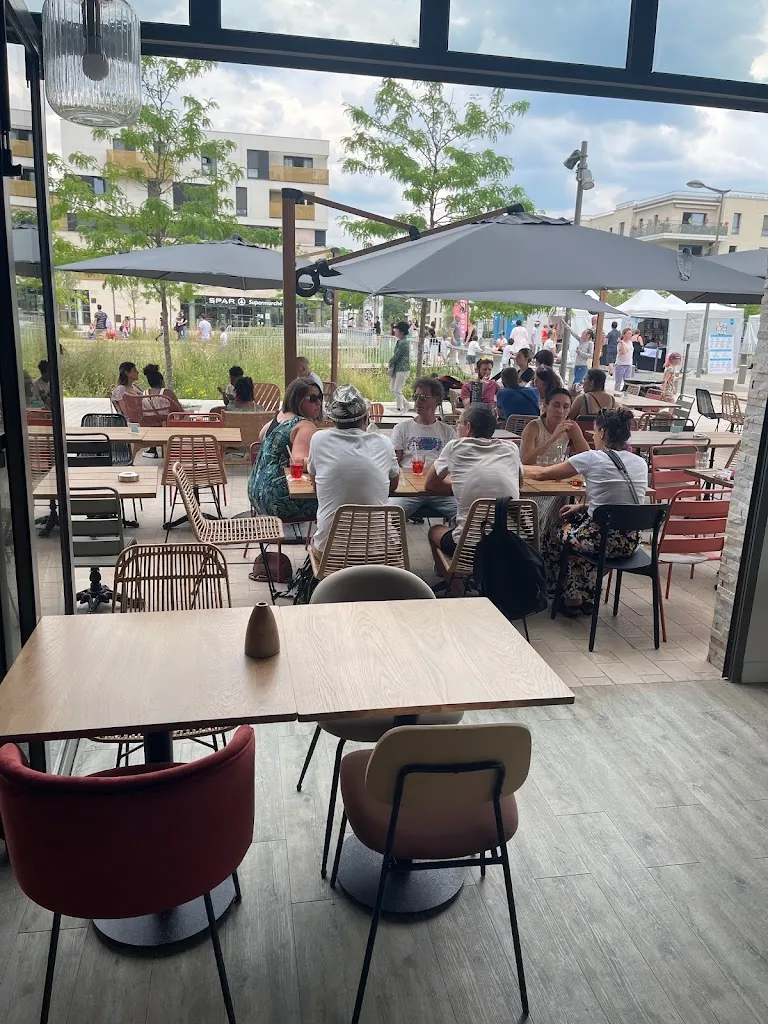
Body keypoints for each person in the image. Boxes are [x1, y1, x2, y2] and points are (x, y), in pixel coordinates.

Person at [526, 408, 648, 615]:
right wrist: (583, 506)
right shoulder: (640, 462)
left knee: (554, 534)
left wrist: (513, 465)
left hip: (599, 540)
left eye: (594, 433)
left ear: (601, 433)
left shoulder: (592, 458)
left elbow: (541, 475)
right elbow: (618, 501)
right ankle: (585, 596)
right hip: (630, 541)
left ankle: (565, 594)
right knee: (582, 536)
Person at [425, 403, 522, 574]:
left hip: (469, 549)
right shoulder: (511, 448)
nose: (457, 426)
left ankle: (454, 585)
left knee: (434, 531)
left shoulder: (455, 446)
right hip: (511, 545)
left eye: (459, 423)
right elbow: (518, 483)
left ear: (468, 427)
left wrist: (461, 485)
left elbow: (430, 484)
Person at [307, 386, 400, 555]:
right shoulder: (384, 443)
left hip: (332, 554)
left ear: (333, 420)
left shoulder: (318, 439)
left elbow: (315, 484)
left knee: (317, 545)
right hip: (380, 553)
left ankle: (331, 581)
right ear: (366, 418)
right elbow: (393, 486)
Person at [248, 377, 321, 521]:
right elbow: (299, 461)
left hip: (256, 492)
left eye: (320, 397)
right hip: (278, 499)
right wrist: (329, 460)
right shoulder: (305, 426)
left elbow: (262, 435)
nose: (318, 403)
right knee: (336, 499)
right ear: (298, 400)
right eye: (312, 398)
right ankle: (325, 540)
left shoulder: (280, 417)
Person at [389, 376, 457, 523]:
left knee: (468, 516)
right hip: (409, 491)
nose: (418, 401)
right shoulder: (402, 428)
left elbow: (455, 465)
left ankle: (454, 543)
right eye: (416, 396)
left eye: (424, 397)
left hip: (438, 488)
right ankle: (395, 546)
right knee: (389, 517)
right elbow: (394, 463)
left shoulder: (447, 431)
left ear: (437, 400)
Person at [521, 388, 589, 468]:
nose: (560, 411)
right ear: (545, 406)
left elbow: (587, 456)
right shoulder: (533, 427)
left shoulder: (571, 427)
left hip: (556, 473)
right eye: (556, 405)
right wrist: (554, 437)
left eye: (566, 407)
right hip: (532, 474)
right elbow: (525, 461)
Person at [388, 320, 411, 412]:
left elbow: (397, 355)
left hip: (403, 369)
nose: (394, 331)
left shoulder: (403, 342)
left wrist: (390, 361)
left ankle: (400, 408)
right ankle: (406, 404)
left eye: (396, 329)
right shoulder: (401, 341)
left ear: (401, 332)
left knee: (397, 389)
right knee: (393, 388)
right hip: (398, 369)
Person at [614, 327, 635, 393]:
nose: (630, 335)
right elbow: (623, 352)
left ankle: (626, 394)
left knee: (628, 381)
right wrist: (622, 343)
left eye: (631, 334)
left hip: (628, 364)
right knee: (618, 381)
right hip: (620, 364)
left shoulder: (630, 342)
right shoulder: (620, 343)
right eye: (628, 334)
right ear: (624, 334)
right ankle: (616, 393)